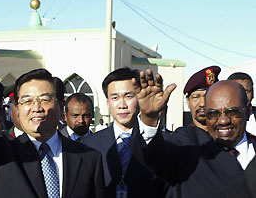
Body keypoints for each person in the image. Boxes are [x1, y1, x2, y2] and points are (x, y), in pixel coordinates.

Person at [0, 41, 105, 198]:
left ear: (61, 107)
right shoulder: (0, 153)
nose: (36, 107)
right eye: (27, 100)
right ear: (18, 109)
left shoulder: (89, 158)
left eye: (45, 99)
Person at [140, 71, 256, 198]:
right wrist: (149, 119)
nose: (223, 121)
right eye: (213, 114)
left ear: (249, 110)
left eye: (233, 112)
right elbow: (153, 156)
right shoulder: (187, 147)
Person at [81, 67, 176, 198]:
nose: (122, 105)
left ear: (140, 97)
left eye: (129, 96)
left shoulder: (162, 142)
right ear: (108, 103)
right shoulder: (90, 144)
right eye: (115, 98)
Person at [183, 66, 221, 131]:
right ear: (188, 101)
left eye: (208, 96)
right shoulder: (181, 138)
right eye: (196, 97)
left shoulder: (229, 137)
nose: (202, 103)